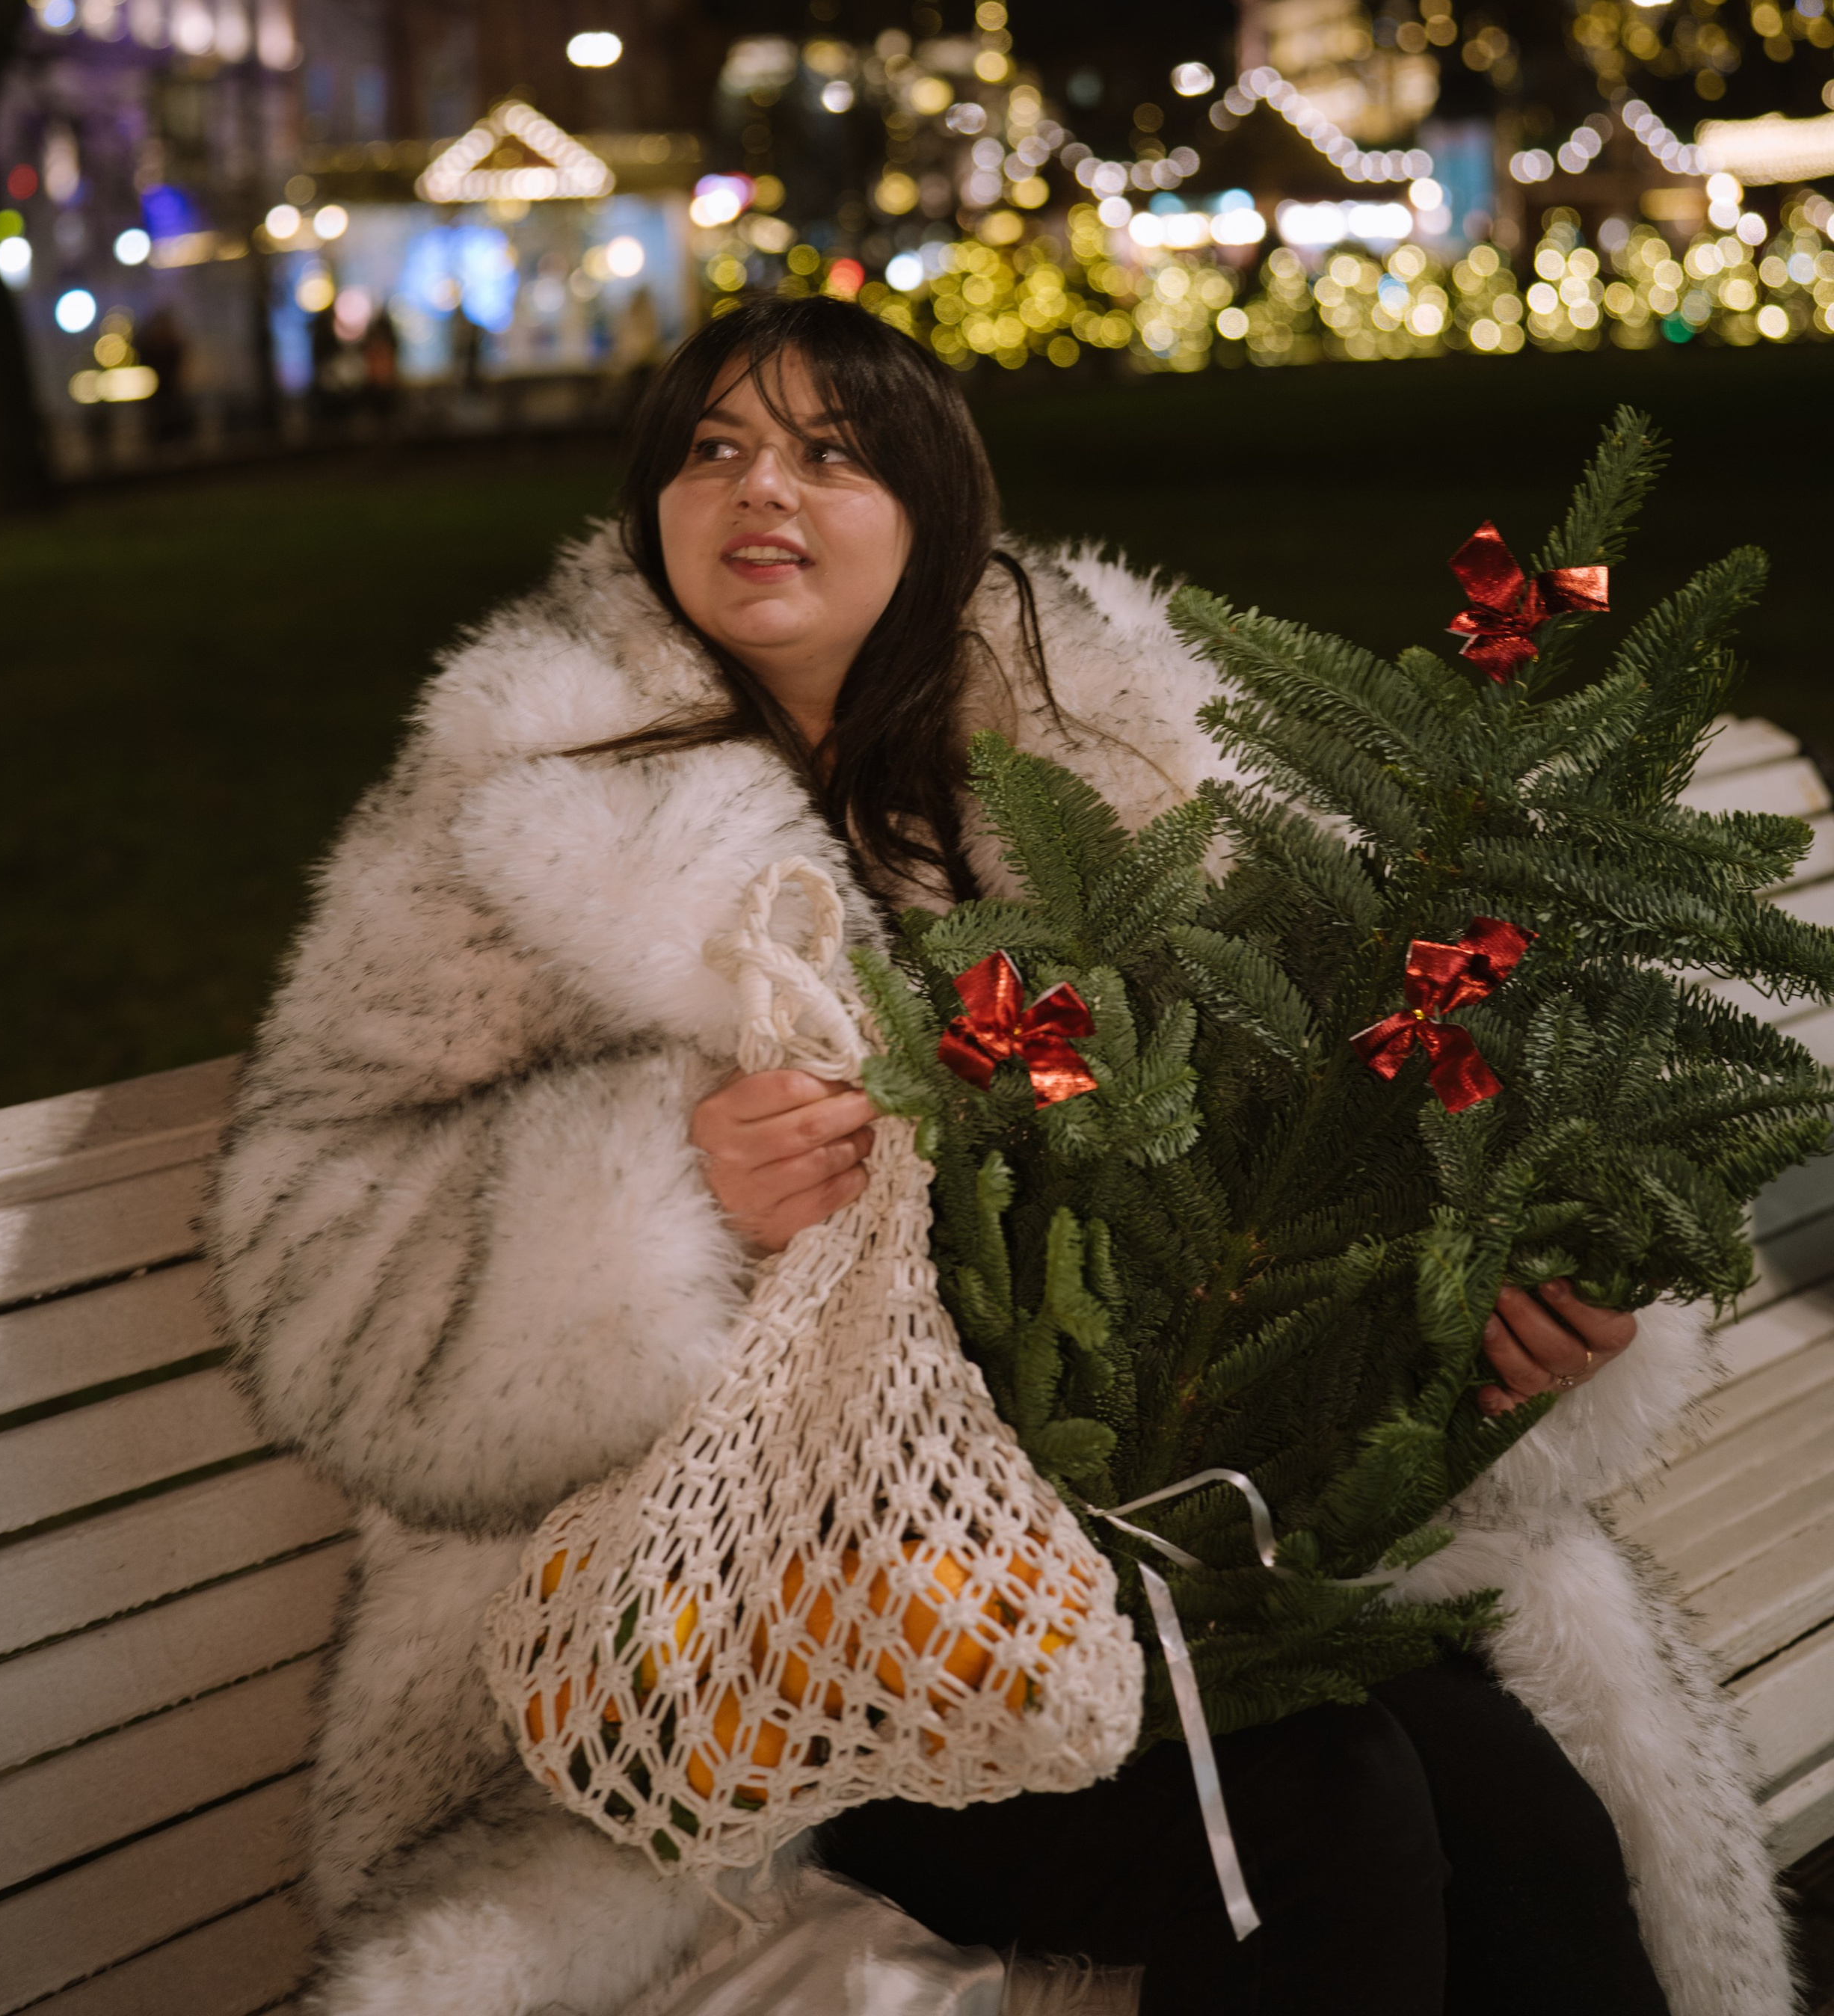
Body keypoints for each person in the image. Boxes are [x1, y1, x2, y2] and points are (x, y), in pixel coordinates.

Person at [211, 298, 1790, 2016]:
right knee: (1317, 1820)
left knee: (1517, 1814)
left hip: (1163, 1540)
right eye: (713, 451)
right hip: (754, 1633)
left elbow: (1328, 1113)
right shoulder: (512, 808)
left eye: (831, 453)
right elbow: (306, 1249)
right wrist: (656, 1202)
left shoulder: (1119, 760)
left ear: (936, 508)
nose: (764, 491)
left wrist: (1507, 1323)